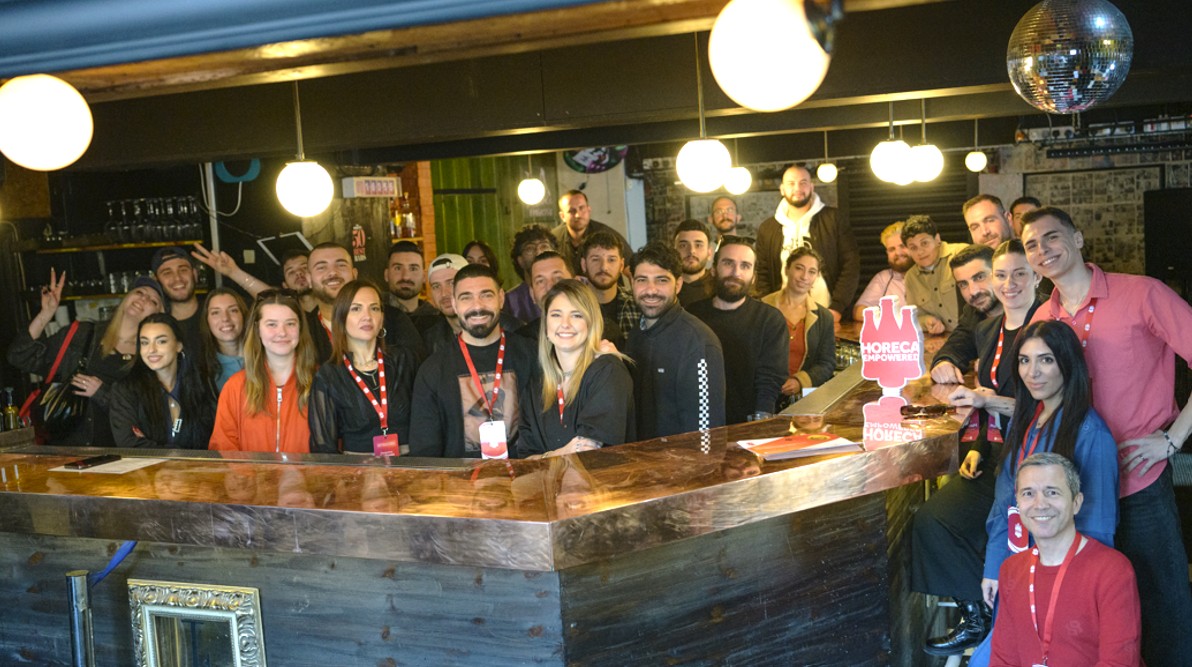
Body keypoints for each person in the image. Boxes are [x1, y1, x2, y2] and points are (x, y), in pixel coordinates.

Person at [1023, 206, 1192, 667]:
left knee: (1163, 603)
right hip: (1074, 488)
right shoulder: (1043, 316)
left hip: (1138, 479)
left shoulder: (1142, 293)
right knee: (1095, 610)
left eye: (1051, 237)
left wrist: (1173, 440)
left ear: (1078, 239)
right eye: (1031, 245)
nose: (1042, 250)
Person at [952, 320, 1119, 666]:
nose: (1033, 373)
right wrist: (995, 565)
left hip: (1060, 583)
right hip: (1018, 570)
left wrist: (1071, 593)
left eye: (1046, 360)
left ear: (1067, 363)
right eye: (1025, 361)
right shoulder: (1028, 420)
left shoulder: (1091, 433)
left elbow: (1099, 528)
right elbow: (1005, 501)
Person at [914, 240, 1044, 655]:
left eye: (1013, 274)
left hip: (1039, 459)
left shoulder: (1049, 324)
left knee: (983, 530)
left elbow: (1050, 404)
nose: (1005, 284)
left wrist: (987, 402)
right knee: (931, 520)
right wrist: (980, 449)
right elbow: (987, 398)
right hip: (998, 457)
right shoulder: (988, 329)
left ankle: (1003, 625)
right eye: (1000, 276)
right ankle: (978, 615)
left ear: (1036, 276)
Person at [989, 452, 1142, 666]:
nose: (1040, 504)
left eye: (1052, 492)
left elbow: (1119, 663)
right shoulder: (1011, 569)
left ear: (1076, 502)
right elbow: (1003, 660)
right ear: (1018, 504)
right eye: (1028, 493)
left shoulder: (1112, 570)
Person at [8, 272, 165, 446]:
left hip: (118, 454)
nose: (143, 298)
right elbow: (20, 357)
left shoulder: (151, 357)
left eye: (153, 301)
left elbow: (148, 416)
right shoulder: (82, 334)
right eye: (139, 292)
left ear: (159, 315)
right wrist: (46, 313)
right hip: (67, 451)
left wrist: (102, 393)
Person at [410, 263, 537, 458]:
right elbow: (425, 453)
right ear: (454, 304)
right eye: (466, 297)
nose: (477, 306)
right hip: (461, 478)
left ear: (501, 298)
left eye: (486, 295)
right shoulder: (433, 370)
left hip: (527, 475)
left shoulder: (532, 354)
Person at [518, 280, 635, 457]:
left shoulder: (608, 372)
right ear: (546, 326)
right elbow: (525, 460)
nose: (565, 324)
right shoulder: (536, 386)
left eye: (576, 315)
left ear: (591, 323)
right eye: (556, 315)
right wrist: (563, 452)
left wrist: (544, 458)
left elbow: (587, 453)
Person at [626, 242, 726, 439]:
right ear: (632, 283)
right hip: (640, 456)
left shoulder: (698, 342)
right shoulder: (635, 334)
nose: (651, 290)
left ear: (678, 284)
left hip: (683, 458)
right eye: (642, 280)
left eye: (661, 280)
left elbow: (707, 432)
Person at [308, 280, 417, 455]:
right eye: (356, 309)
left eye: (374, 308)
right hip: (358, 469)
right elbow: (323, 448)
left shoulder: (404, 360)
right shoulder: (329, 375)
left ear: (381, 319)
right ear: (341, 318)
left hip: (410, 466)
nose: (367, 316)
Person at [689, 237, 787, 423]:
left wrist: (760, 421)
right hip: (696, 422)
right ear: (713, 269)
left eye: (745, 266)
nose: (736, 272)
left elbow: (770, 379)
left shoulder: (769, 319)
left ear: (754, 276)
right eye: (728, 263)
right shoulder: (692, 316)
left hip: (748, 424)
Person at [210, 290, 317, 453]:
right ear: (257, 329)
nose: (282, 332)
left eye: (290, 323)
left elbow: (332, 450)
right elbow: (224, 448)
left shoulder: (322, 383)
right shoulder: (235, 387)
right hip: (251, 471)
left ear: (300, 328)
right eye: (271, 324)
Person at [755, 164, 859, 322]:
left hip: (828, 314)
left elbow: (851, 265)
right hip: (783, 318)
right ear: (782, 189)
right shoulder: (767, 228)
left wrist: (837, 307)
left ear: (811, 187)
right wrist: (770, 311)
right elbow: (762, 273)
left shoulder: (834, 219)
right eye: (791, 183)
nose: (797, 188)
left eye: (803, 182)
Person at [108, 313, 216, 449]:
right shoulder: (125, 390)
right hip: (148, 465)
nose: (151, 350)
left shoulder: (201, 384)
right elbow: (129, 445)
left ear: (178, 345)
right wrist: (181, 453)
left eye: (161, 341)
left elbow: (212, 439)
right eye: (145, 342)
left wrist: (151, 446)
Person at [305, 242, 423, 364]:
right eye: (321, 267)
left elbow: (416, 365)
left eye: (341, 265)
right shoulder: (302, 329)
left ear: (354, 274)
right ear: (308, 279)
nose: (333, 273)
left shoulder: (394, 319)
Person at [761, 247, 835, 408]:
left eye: (812, 272)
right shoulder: (762, 307)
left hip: (801, 402)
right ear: (787, 269)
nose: (804, 277)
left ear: (817, 277)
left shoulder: (824, 317)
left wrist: (800, 381)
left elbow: (827, 363)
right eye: (799, 268)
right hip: (762, 396)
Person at [929, 245, 1002, 384]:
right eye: (963, 284)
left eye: (979, 277)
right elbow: (957, 344)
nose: (973, 292)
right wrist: (944, 362)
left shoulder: (1034, 310)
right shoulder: (973, 313)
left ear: (1000, 273)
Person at [192, 245, 318, 314]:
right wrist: (233, 272)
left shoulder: (330, 304)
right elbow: (268, 296)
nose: (299, 274)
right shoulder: (289, 314)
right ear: (285, 285)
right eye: (291, 272)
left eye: (304, 267)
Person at [902, 214, 969, 334]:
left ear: (937, 239)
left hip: (979, 333)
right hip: (946, 338)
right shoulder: (911, 277)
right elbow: (914, 317)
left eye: (924, 243)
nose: (920, 252)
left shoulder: (962, 253)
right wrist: (926, 321)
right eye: (913, 248)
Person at [551, 190, 631, 274]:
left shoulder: (607, 234)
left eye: (581, 208)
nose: (578, 215)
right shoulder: (553, 238)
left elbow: (630, 268)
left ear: (589, 210)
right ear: (562, 216)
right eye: (571, 211)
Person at [580, 231, 639, 338]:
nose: (604, 267)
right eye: (595, 259)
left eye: (611, 260)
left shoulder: (636, 305)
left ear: (621, 265)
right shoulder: (574, 305)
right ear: (584, 265)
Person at [852, 221, 912, 321]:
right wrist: (885, 318)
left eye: (902, 246)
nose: (898, 253)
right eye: (892, 249)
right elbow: (858, 311)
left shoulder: (932, 273)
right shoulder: (883, 278)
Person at [151, 246, 204, 351]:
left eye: (183, 270)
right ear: (156, 281)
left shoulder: (217, 314)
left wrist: (234, 273)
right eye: (167, 273)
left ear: (195, 274)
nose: (177, 278)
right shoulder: (153, 326)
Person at [383, 240, 439, 332]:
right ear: (386, 275)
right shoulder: (373, 315)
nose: (406, 276)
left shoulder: (436, 319)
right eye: (398, 268)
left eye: (413, 269)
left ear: (424, 276)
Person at [505, 224, 556, 323]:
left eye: (544, 246)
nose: (538, 252)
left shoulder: (568, 290)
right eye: (530, 249)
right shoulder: (510, 301)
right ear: (520, 260)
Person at [199, 287, 247, 393]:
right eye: (216, 313)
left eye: (233, 310)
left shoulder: (266, 357)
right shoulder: (202, 371)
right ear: (207, 321)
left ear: (243, 315)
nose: (225, 318)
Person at [673, 219, 715, 307]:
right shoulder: (664, 287)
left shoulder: (720, 287)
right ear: (674, 251)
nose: (691, 251)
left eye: (698, 245)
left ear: (709, 253)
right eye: (683, 245)